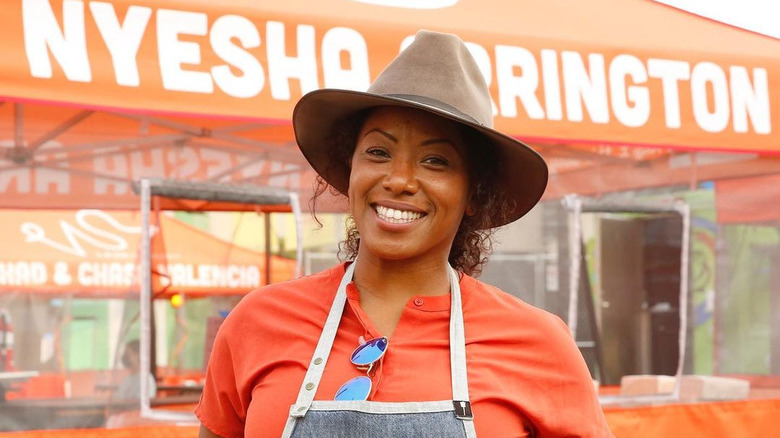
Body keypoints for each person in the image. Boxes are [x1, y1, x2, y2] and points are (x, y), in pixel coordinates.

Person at [196, 30, 612, 437]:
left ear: (473, 192)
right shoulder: (257, 321)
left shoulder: (537, 343)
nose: (399, 180)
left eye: (435, 160)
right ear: (351, 169)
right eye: (379, 152)